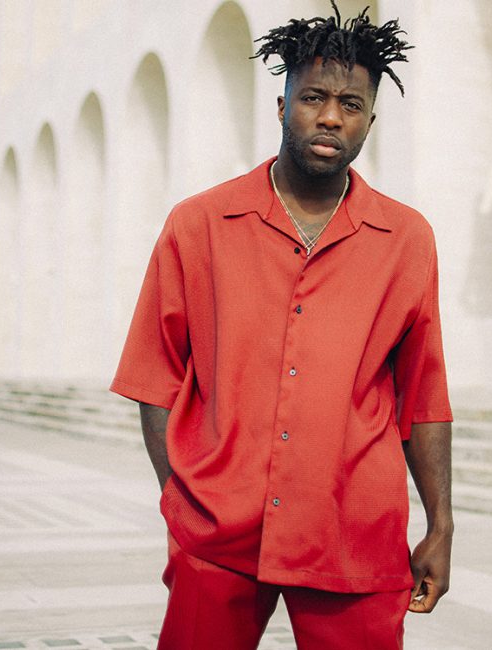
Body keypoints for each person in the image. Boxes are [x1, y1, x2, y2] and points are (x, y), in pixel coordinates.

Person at [111, 3, 453, 648]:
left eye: (351, 105)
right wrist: (179, 504)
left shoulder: (406, 239)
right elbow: (155, 376)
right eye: (313, 98)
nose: (331, 117)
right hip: (218, 534)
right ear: (281, 106)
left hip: (352, 531)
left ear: (370, 121)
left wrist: (442, 523)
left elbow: (424, 394)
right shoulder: (199, 224)